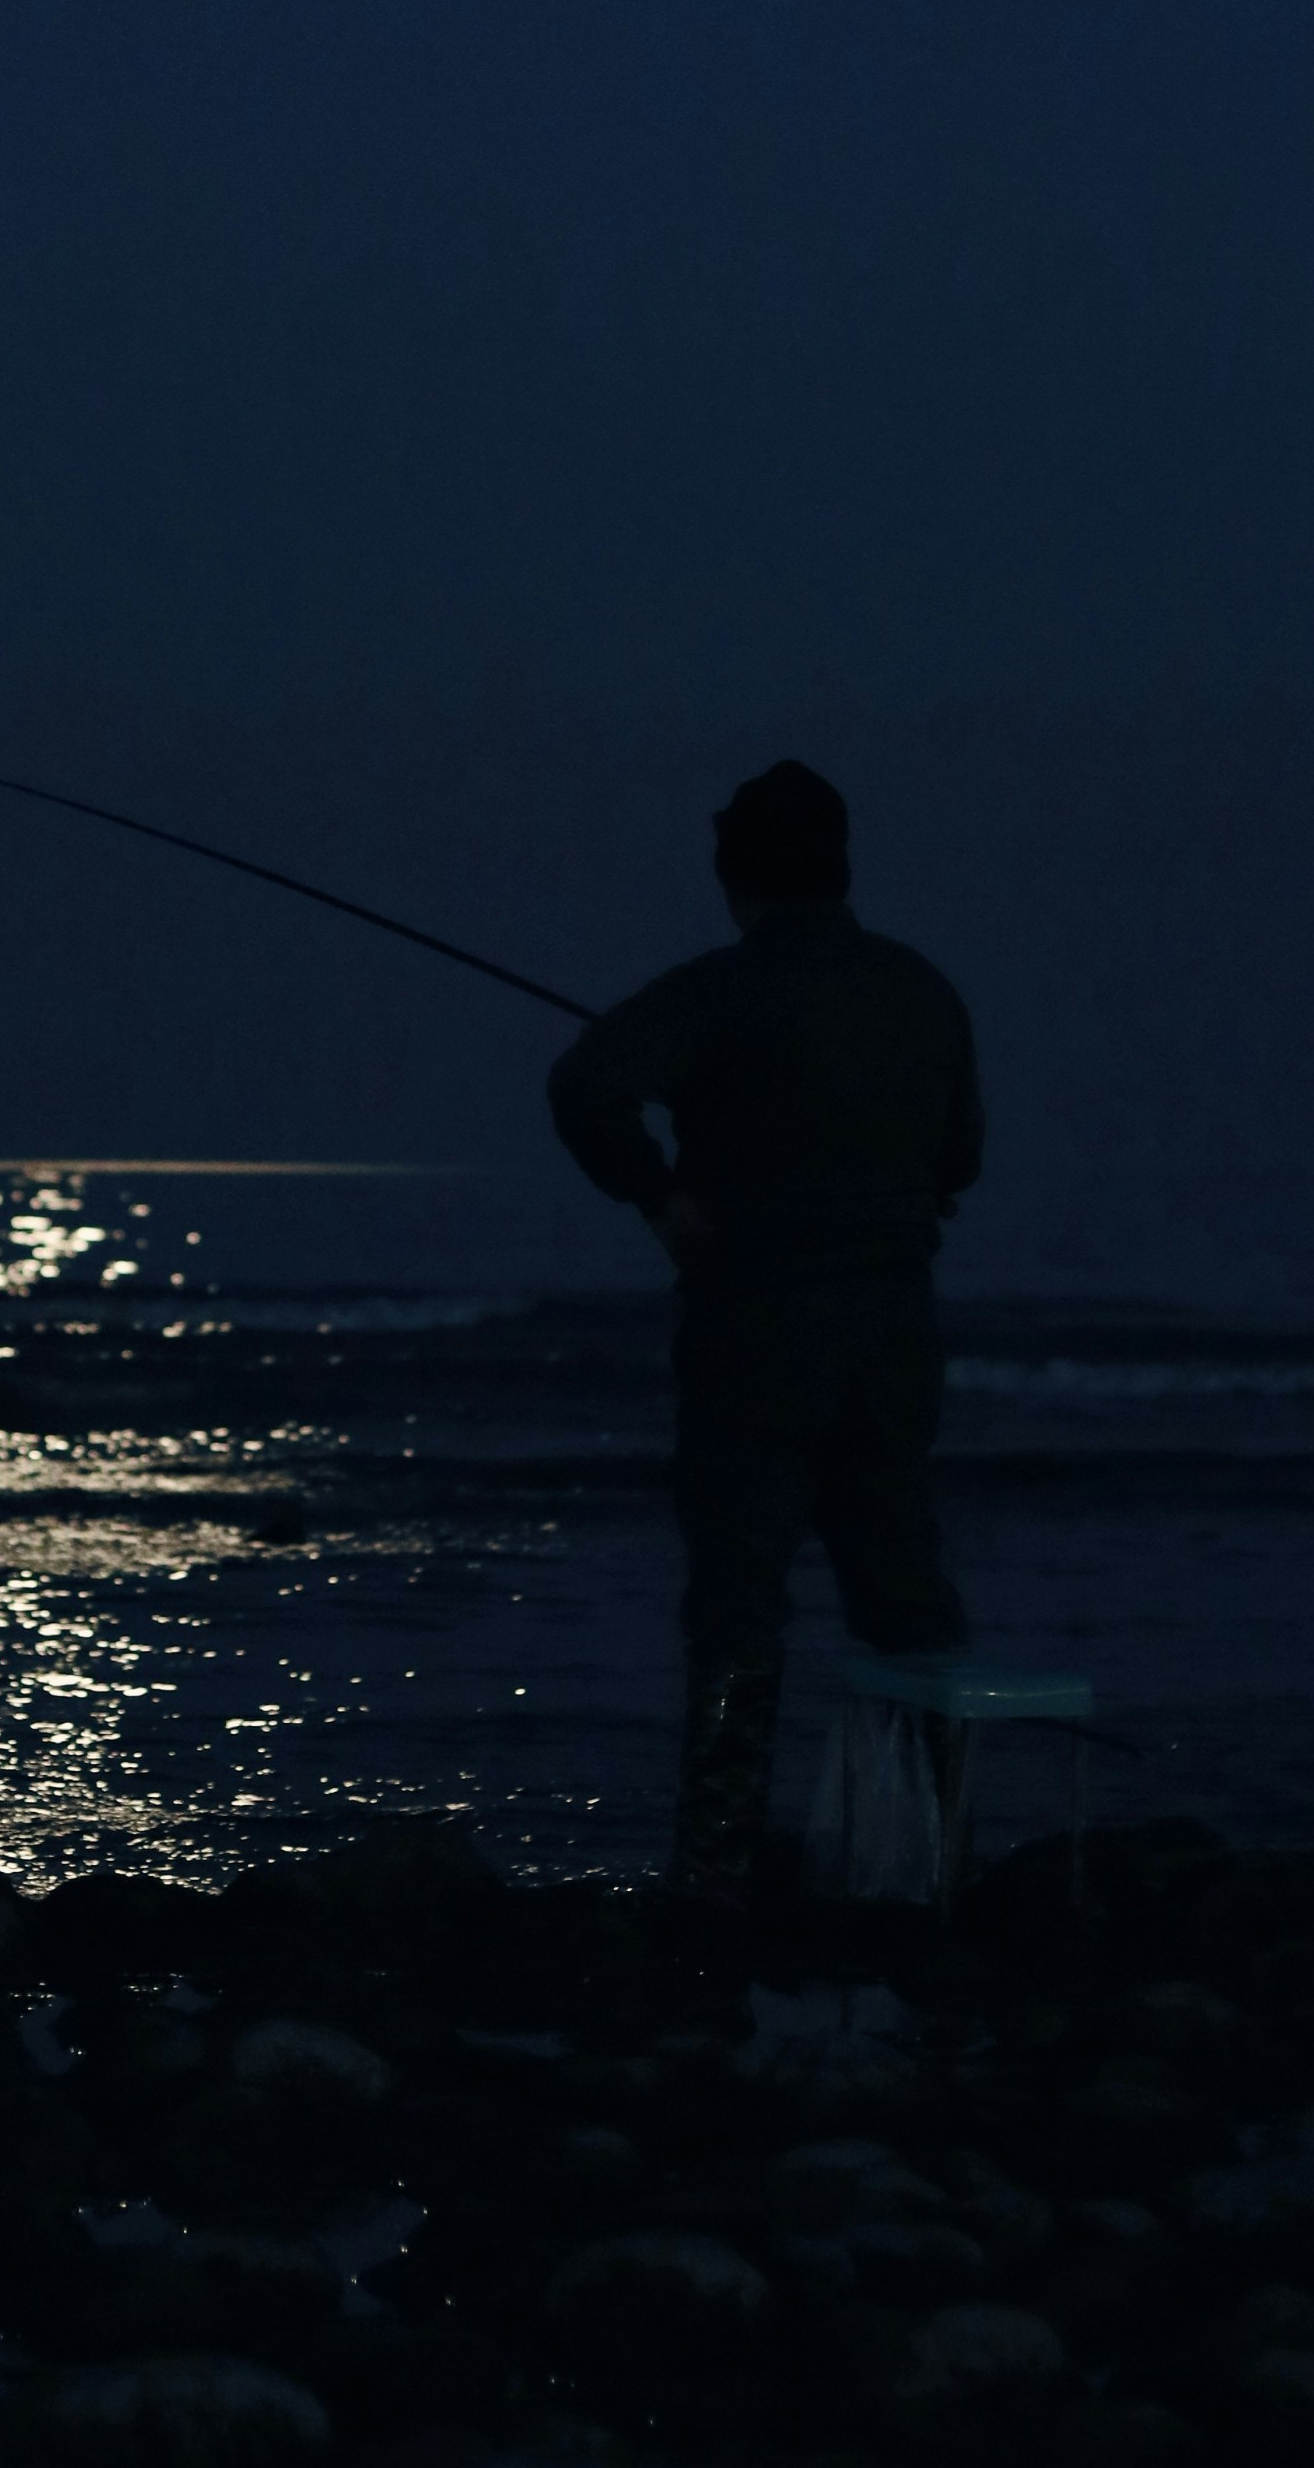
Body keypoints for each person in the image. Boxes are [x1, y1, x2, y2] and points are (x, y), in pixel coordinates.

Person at [546, 759, 982, 1910]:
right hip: (892, 1341)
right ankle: (923, 1857)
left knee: (739, 1609)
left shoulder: (718, 992)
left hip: (756, 1340)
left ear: (734, 874)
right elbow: (959, 1161)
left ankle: (717, 1866)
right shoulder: (921, 992)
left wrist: (656, 1191)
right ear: (839, 864)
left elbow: (585, 1082)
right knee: (903, 1598)